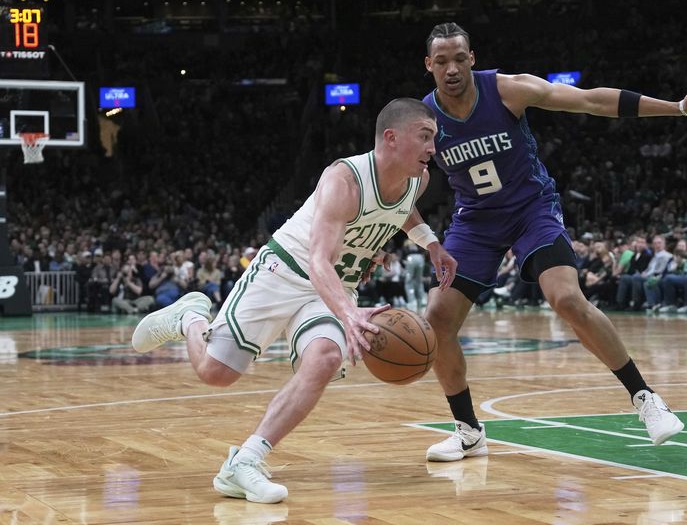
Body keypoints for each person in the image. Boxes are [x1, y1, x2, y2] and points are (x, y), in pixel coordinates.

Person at [419, 22, 687, 461]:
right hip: (475, 223)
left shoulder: (508, 90)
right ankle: (469, 430)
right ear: (429, 66)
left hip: (532, 210)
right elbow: (399, 181)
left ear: (472, 58)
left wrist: (678, 107)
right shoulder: (424, 119)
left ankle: (645, 398)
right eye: (441, 61)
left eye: (459, 58)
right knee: (437, 318)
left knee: (565, 297)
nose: (451, 68)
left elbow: (589, 100)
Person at [131, 98, 457, 503]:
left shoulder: (417, 180)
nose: (433, 147)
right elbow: (319, 259)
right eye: (425, 136)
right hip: (284, 272)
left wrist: (430, 244)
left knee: (323, 359)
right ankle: (191, 318)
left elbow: (403, 209)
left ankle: (244, 462)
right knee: (216, 373)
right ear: (391, 138)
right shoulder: (345, 179)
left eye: (434, 138)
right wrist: (350, 314)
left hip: (334, 286)